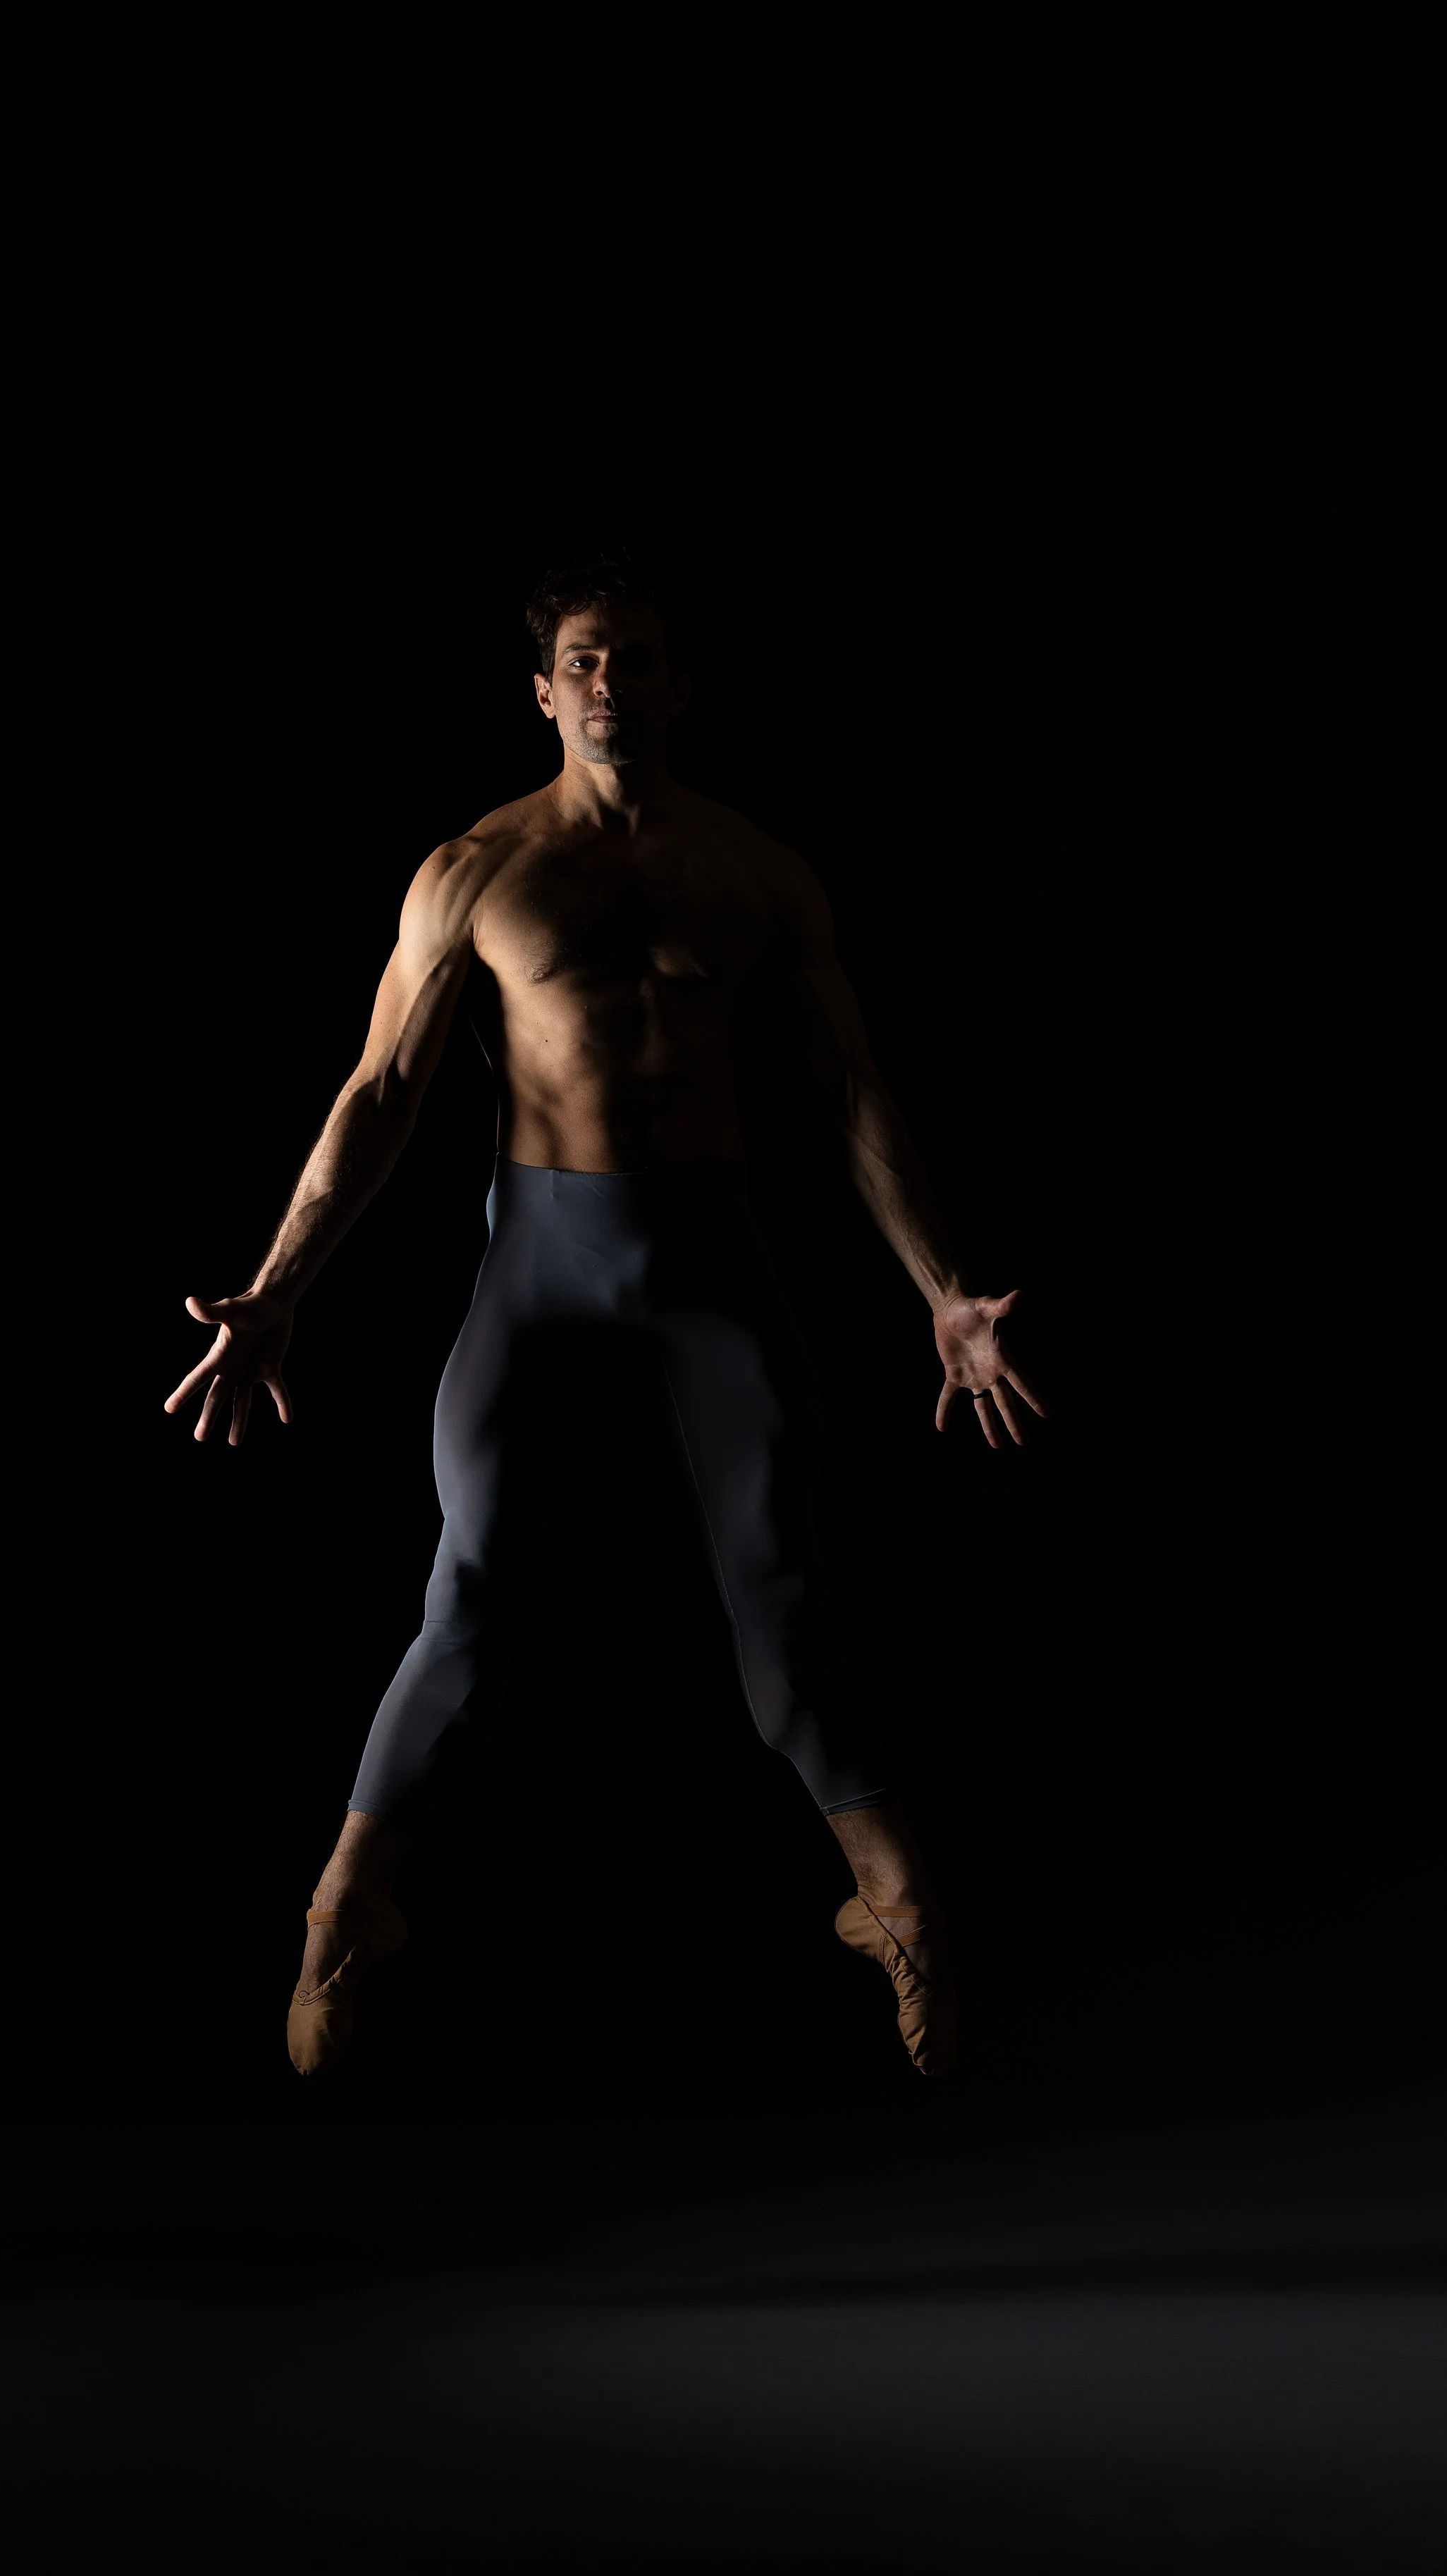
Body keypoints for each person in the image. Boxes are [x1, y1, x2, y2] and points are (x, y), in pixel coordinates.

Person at [164, 553, 1045, 2081]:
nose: (609, 685)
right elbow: (379, 1093)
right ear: (542, 690)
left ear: (675, 686)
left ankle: (896, 1905)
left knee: (774, 1593)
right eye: (584, 661)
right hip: (544, 1269)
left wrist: (938, 1292)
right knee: (473, 1589)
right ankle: (340, 1913)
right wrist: (277, 1288)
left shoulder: (756, 871)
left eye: (636, 660)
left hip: (711, 1257)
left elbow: (848, 1094)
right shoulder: (475, 871)